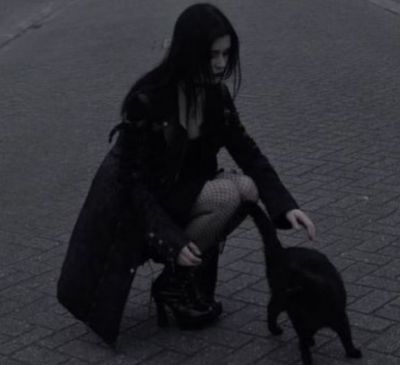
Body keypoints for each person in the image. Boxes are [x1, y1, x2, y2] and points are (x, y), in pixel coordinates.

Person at [57, 3, 316, 346]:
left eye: (226, 54)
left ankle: (173, 282)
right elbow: (131, 184)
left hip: (176, 194)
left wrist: (286, 205)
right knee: (228, 193)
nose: (221, 64)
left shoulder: (215, 95)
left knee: (247, 189)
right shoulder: (147, 100)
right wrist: (170, 240)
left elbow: (247, 151)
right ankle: (178, 272)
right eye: (212, 55)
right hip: (135, 209)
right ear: (189, 52)